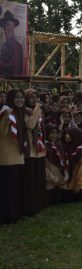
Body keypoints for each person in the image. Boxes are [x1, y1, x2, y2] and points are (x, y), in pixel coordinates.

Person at [0, 89, 29, 223]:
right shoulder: (6, 113)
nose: (20, 100)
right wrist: (6, 117)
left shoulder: (21, 113)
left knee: (18, 187)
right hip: (6, 158)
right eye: (17, 98)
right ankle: (8, 216)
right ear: (11, 99)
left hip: (19, 155)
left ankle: (17, 213)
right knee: (8, 189)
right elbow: (1, 133)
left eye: (22, 98)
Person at [0, 11, 24, 76]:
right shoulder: (4, 46)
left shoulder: (17, 46)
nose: (6, 29)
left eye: (8, 25)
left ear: (13, 26)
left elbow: (16, 69)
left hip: (13, 80)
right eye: (4, 26)